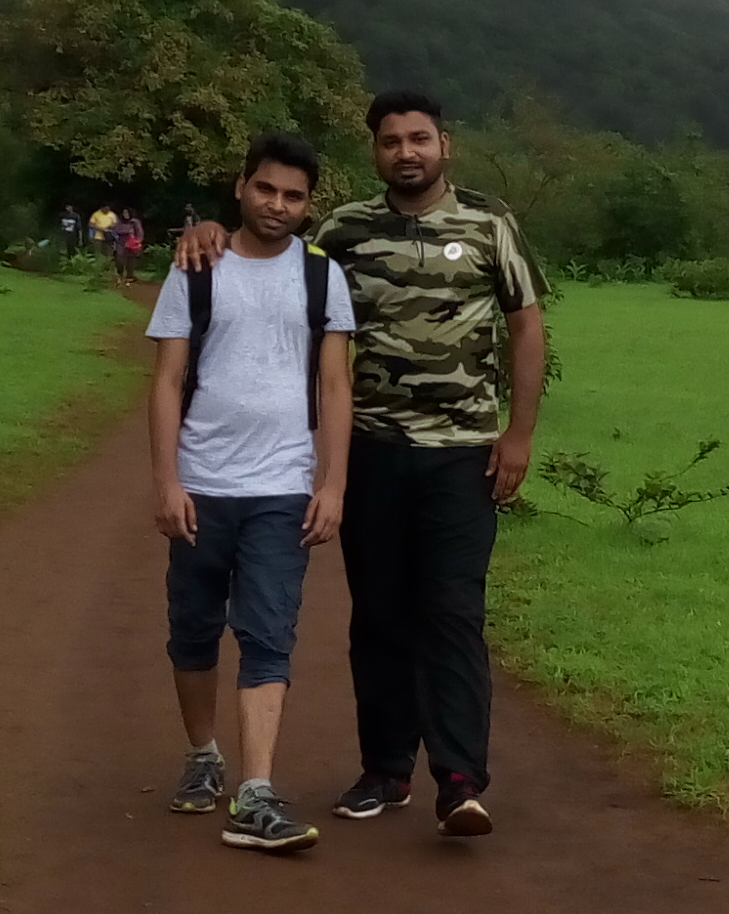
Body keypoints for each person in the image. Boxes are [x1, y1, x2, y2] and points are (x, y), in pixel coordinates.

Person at [176, 89, 543, 836]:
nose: (406, 151)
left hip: (462, 453)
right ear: (374, 152)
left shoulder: (489, 224)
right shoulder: (344, 231)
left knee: (451, 612)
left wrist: (519, 435)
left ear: (446, 144)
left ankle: (461, 780)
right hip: (371, 449)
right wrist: (209, 229)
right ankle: (385, 770)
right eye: (389, 141)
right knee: (376, 615)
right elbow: (268, 252)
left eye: (419, 138)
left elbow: (526, 326)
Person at [144, 132, 357, 853]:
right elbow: (168, 380)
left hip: (281, 486)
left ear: (309, 204)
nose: (278, 205)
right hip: (202, 484)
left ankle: (256, 791)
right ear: (240, 186)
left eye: (294, 196)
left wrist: (333, 482)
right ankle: (203, 756)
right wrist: (166, 480)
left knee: (269, 634)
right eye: (266, 189)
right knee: (194, 629)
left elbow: (335, 383)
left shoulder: (324, 276)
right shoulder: (197, 267)